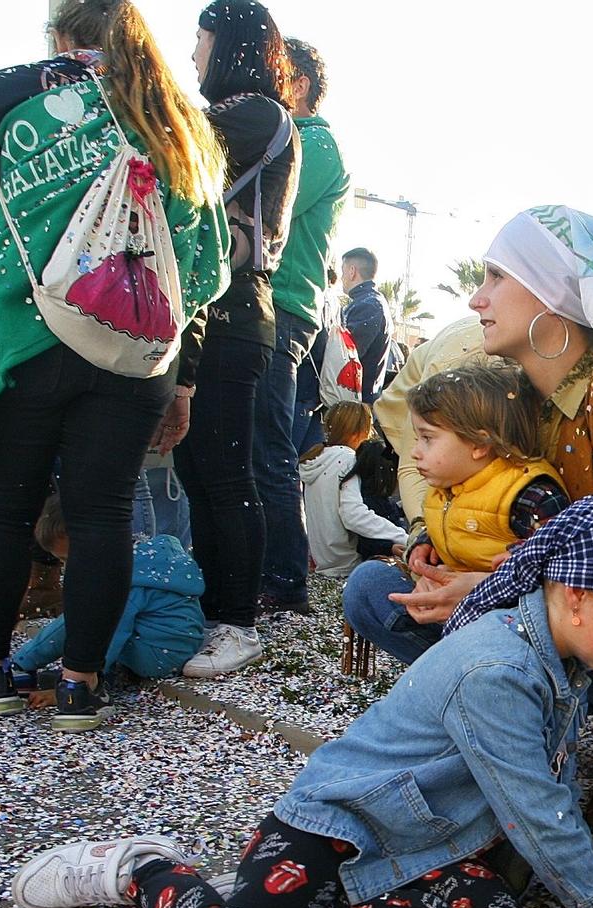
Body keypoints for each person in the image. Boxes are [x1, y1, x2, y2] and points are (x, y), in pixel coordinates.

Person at [8, 495, 593, 908]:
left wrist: (586, 877)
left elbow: (552, 775)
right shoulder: (496, 670)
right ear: (576, 596)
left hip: (420, 837)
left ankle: (305, 905)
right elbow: (533, 801)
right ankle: (144, 867)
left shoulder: (562, 656)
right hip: (336, 825)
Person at [0, 0, 228, 726]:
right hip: (136, 348)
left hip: (18, 336)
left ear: (60, 36)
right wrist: (185, 375)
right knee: (104, 513)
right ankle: (80, 683)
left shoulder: (10, 93)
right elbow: (204, 262)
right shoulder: (175, 115)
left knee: (1, 507)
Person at [371, 206, 593, 829]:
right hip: (514, 583)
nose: (477, 297)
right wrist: (425, 546)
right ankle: (501, 721)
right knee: (371, 591)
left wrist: (484, 593)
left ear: (550, 291)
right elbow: (459, 480)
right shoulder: (503, 388)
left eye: (495, 278)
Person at [174, 0, 301, 679]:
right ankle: (211, 608)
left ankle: (239, 622)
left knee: (227, 471)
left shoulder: (254, 114)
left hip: (235, 311)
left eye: (201, 41)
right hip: (206, 309)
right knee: (198, 471)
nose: (193, 54)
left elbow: (173, 149)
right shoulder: (239, 113)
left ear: (232, 46)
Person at [346, 363, 569, 665]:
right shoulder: (447, 485)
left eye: (427, 438)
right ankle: (453, 669)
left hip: (514, 631)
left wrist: (485, 590)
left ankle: (495, 678)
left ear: (478, 444)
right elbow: (451, 527)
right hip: (458, 620)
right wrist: (425, 547)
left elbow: (559, 578)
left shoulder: (528, 495)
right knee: (367, 582)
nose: (415, 452)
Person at [253, 36, 350, 616]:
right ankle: (271, 573)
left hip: (283, 305)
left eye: (271, 75)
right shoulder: (297, 140)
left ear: (297, 85)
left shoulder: (313, 145)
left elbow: (266, 207)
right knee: (258, 444)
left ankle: (285, 581)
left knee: (266, 446)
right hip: (275, 304)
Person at [11, 490, 206, 713]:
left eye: (70, 559)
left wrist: (82, 676)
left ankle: (26, 667)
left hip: (156, 656)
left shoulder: (122, 577)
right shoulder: (145, 558)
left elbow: (110, 631)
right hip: (174, 646)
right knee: (83, 615)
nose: (69, 568)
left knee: (82, 616)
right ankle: (46, 667)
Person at [299, 399, 407, 579]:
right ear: (362, 430)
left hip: (325, 561)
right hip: (349, 564)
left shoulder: (317, 459)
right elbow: (353, 515)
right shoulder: (348, 460)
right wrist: (403, 537)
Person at [340, 247, 391, 405]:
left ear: (352, 271)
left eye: (342, 271)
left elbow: (345, 355)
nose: (341, 278)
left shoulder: (369, 305)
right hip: (361, 401)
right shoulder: (372, 302)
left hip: (356, 405)